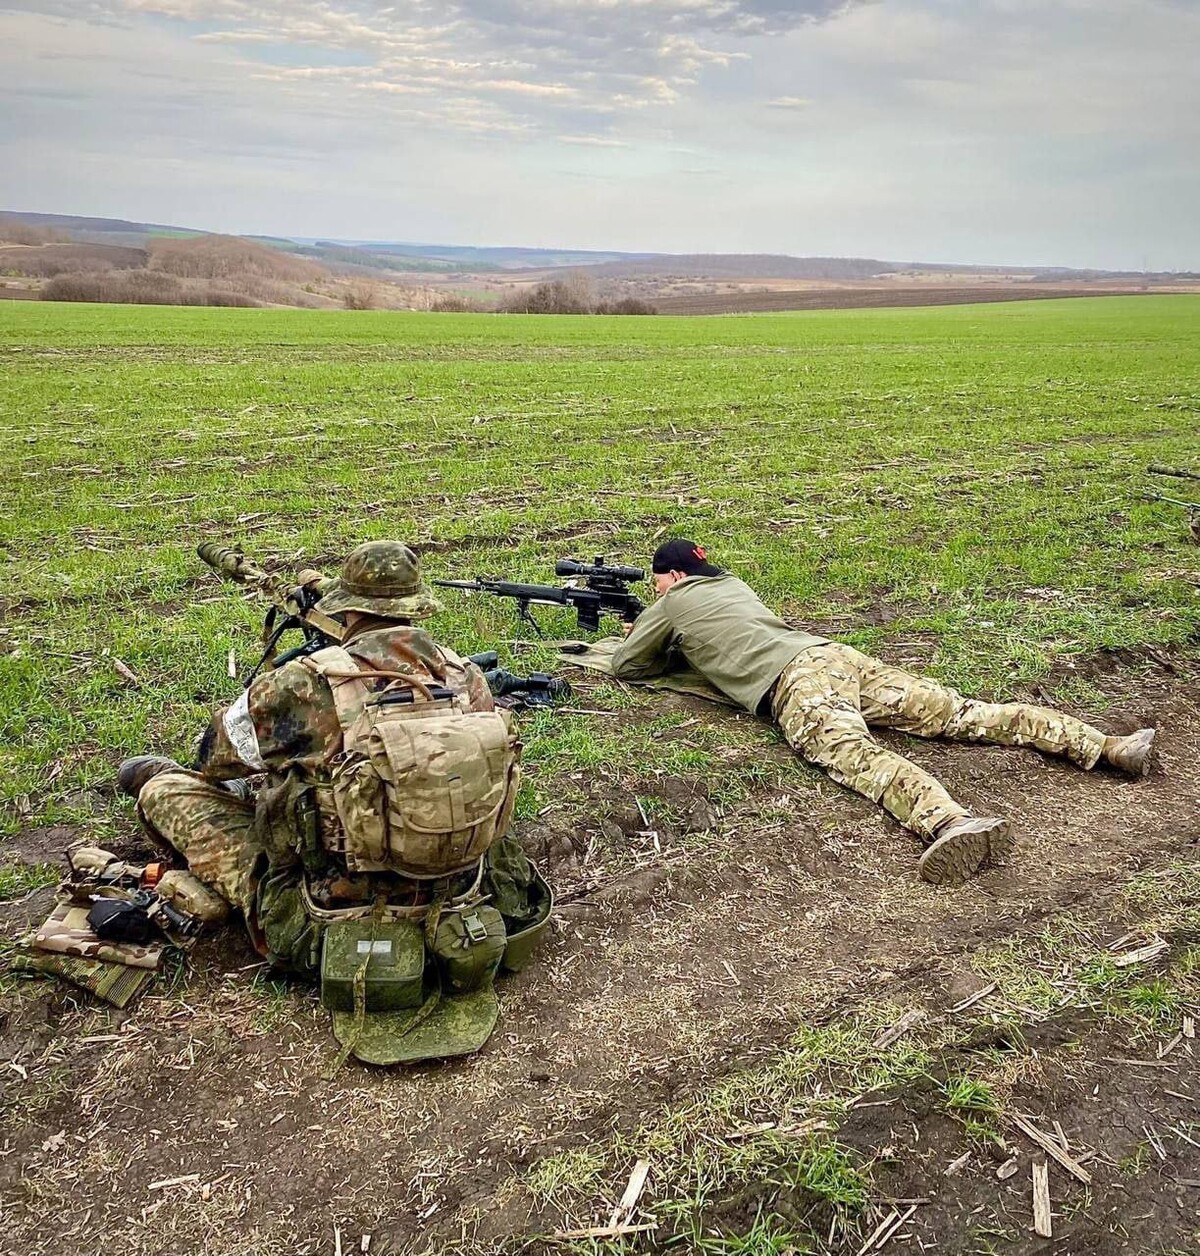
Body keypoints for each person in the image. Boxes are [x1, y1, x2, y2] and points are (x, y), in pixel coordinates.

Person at [117, 541, 551, 1063]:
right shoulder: (465, 677)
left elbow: (214, 758)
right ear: (417, 608)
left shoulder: (304, 684)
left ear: (346, 611)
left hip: (320, 923)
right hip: (465, 902)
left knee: (160, 785)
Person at [610, 539, 1155, 887]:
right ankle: (1107, 745)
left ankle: (951, 823)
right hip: (835, 655)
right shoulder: (733, 584)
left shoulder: (674, 601)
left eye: (656, 583)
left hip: (795, 683)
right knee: (963, 713)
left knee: (857, 757)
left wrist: (644, 629)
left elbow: (629, 665)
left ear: (674, 578)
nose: (656, 591)